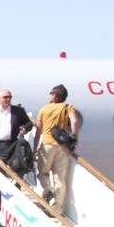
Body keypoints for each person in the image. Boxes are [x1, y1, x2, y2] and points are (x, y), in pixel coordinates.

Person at [33, 84, 81, 215]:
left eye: (51, 94)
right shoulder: (67, 107)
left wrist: (35, 149)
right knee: (60, 178)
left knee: (42, 173)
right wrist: (75, 139)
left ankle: (49, 191)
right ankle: (57, 208)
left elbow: (38, 131)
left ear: (54, 96)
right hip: (63, 147)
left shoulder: (44, 109)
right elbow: (75, 122)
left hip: (47, 145)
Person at [0, 90, 34, 172]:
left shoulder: (18, 111)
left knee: (14, 168)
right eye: (5, 97)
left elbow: (29, 123)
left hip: (12, 144)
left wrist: (25, 128)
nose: (8, 99)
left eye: (10, 97)